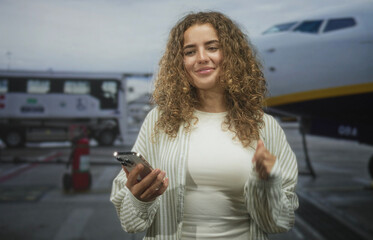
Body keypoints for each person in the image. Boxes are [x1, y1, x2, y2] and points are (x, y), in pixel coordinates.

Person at [110, 11, 298, 240]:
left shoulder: (265, 127)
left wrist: (267, 185)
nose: (201, 58)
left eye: (212, 47)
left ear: (231, 54)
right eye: (190, 51)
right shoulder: (159, 120)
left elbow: (280, 223)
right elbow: (130, 223)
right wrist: (140, 200)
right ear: (180, 63)